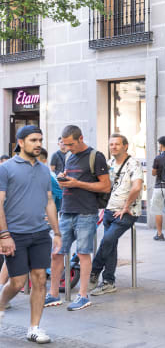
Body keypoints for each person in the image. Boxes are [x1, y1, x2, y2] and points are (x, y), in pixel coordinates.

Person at [0, 125, 61, 343]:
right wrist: (4, 235)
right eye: (33, 140)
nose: (38, 144)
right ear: (21, 142)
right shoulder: (6, 168)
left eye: (40, 140)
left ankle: (34, 328)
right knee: (17, 282)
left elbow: (49, 201)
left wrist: (57, 232)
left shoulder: (44, 169)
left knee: (39, 280)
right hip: (15, 233)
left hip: (40, 233)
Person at [45, 125, 111, 311]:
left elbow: (105, 186)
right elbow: (70, 180)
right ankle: (53, 294)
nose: (67, 148)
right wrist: (63, 179)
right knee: (57, 253)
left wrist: (77, 183)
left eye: (71, 144)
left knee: (83, 253)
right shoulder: (68, 156)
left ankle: (83, 296)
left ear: (81, 138)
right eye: (64, 144)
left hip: (86, 212)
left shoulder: (95, 156)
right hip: (66, 210)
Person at [88, 134, 144, 296]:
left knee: (108, 240)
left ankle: (94, 271)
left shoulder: (134, 164)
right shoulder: (109, 163)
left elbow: (136, 187)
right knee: (110, 245)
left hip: (126, 212)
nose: (113, 147)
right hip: (109, 210)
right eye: (111, 144)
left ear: (125, 146)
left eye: (117, 144)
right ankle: (108, 282)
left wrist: (126, 206)